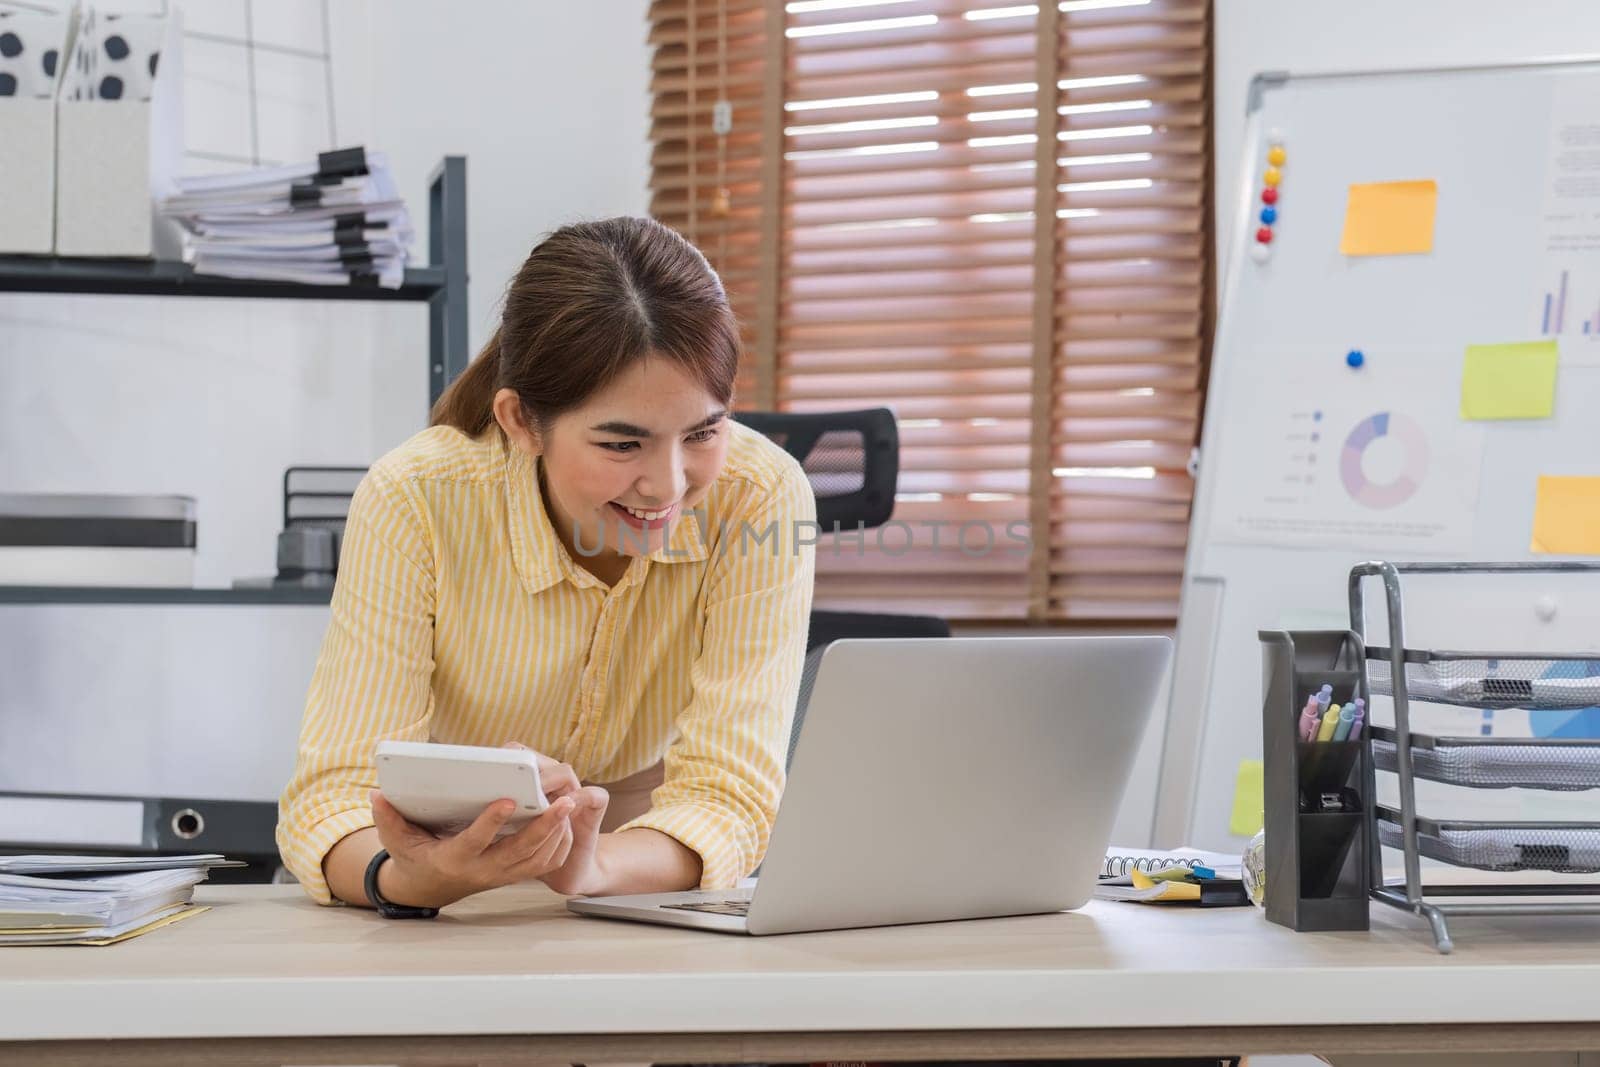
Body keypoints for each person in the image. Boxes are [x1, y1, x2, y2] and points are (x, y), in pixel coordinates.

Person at [276, 216, 816, 913]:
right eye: (623, 445)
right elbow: (335, 796)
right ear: (520, 420)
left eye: (704, 431)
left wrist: (595, 865)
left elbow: (729, 796)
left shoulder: (762, 495)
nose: (670, 484)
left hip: (644, 882)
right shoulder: (413, 498)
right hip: (433, 873)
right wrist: (416, 878)